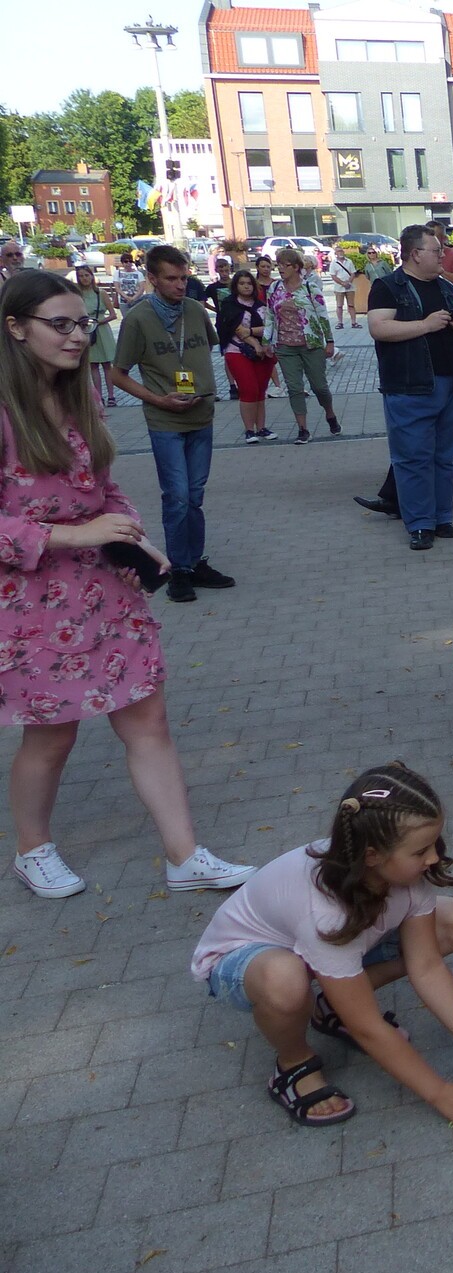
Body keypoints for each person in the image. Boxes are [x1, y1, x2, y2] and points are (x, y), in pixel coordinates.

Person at [2, 269, 254, 899]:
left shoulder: (78, 395)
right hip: (33, 604)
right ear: (15, 328)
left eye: (83, 323)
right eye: (60, 324)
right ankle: (32, 849)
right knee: (52, 732)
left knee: (149, 719)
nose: (77, 336)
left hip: (105, 590)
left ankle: (184, 855)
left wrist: (130, 533)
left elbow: (103, 486)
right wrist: (71, 536)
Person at [189, 763, 453, 1129]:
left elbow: (427, 967)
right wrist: (439, 1092)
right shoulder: (326, 915)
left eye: (434, 844)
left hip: (323, 945)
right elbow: (367, 1027)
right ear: (372, 855)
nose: (433, 858)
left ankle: (333, 1005)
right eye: (420, 852)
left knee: (451, 922)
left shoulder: (399, 874)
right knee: (285, 980)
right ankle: (293, 1064)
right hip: (239, 959)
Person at [106, 246, 237, 604]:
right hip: (165, 420)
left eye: (184, 278)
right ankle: (179, 569)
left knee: (194, 495)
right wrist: (158, 398)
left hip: (201, 415)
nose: (181, 285)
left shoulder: (195, 309)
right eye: (171, 279)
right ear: (152, 279)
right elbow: (118, 374)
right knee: (177, 496)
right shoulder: (138, 318)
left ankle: (195, 562)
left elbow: (206, 352)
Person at [367, 224, 453, 551]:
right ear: (415, 254)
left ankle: (442, 518)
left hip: (452, 384)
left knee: (445, 457)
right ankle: (419, 524)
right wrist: (425, 325)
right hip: (411, 388)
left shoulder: (445, 286)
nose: (443, 255)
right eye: (436, 250)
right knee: (413, 458)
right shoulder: (388, 287)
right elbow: (379, 328)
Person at [265, 247, 340, 444]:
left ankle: (330, 413)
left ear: (296, 267)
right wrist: (267, 341)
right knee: (294, 388)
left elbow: (323, 316)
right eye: (278, 265)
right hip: (285, 345)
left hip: (311, 344)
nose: (281, 269)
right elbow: (270, 316)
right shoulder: (274, 288)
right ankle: (303, 429)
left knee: (319, 387)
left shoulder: (310, 288)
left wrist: (329, 341)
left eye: (285, 265)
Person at [217, 269, 278, 444]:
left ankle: (262, 428)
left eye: (249, 283)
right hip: (237, 351)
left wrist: (253, 334)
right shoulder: (229, 305)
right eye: (242, 283)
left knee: (260, 391)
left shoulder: (261, 306)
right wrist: (255, 342)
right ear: (235, 286)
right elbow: (238, 330)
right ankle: (249, 430)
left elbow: (270, 327)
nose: (246, 286)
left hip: (262, 353)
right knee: (248, 389)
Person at [73, 264, 118, 407]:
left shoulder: (100, 293)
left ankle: (111, 396)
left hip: (101, 330)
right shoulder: (77, 295)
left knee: (107, 365)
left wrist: (98, 321)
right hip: (87, 330)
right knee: (93, 365)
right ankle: (99, 397)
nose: (84, 278)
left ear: (92, 276)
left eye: (87, 275)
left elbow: (113, 315)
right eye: (81, 276)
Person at [328, 249, 358, 328]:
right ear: (335, 253)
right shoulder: (333, 263)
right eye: (338, 251)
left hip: (350, 287)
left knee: (351, 305)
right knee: (339, 305)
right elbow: (333, 276)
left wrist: (348, 282)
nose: (340, 253)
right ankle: (340, 322)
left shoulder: (349, 261)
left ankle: (354, 322)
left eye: (341, 251)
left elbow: (353, 273)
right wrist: (342, 283)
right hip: (339, 288)